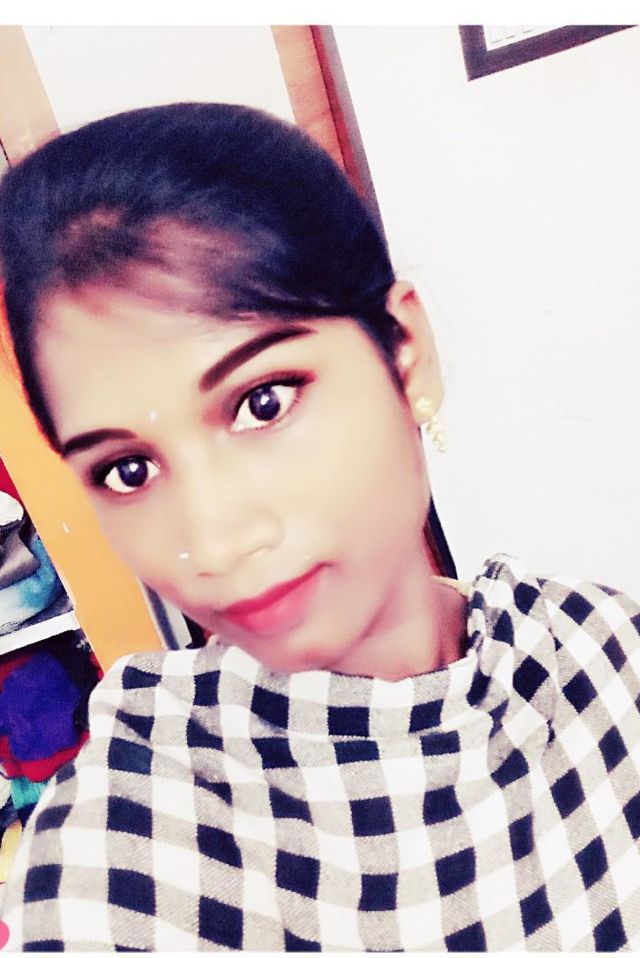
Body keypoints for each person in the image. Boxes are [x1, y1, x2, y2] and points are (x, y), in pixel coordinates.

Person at [0, 102, 638, 953]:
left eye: (263, 403)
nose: (215, 542)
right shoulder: (125, 857)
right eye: (128, 470)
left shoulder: (602, 649)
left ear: (405, 351)